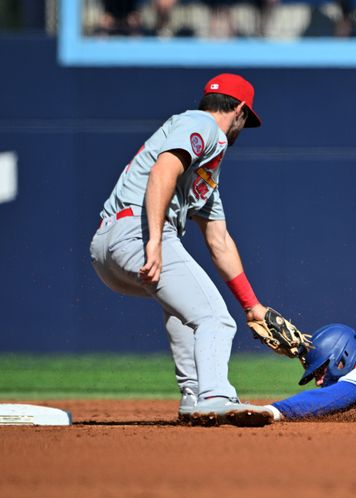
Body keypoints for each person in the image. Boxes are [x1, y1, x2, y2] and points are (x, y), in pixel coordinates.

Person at [90, 73, 276, 427]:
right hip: (137, 233)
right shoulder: (202, 125)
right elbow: (163, 171)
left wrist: (252, 305)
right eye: (245, 120)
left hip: (109, 246)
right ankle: (215, 395)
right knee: (215, 318)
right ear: (238, 110)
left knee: (186, 311)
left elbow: (219, 241)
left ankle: (196, 394)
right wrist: (155, 241)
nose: (242, 128)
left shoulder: (204, 177)